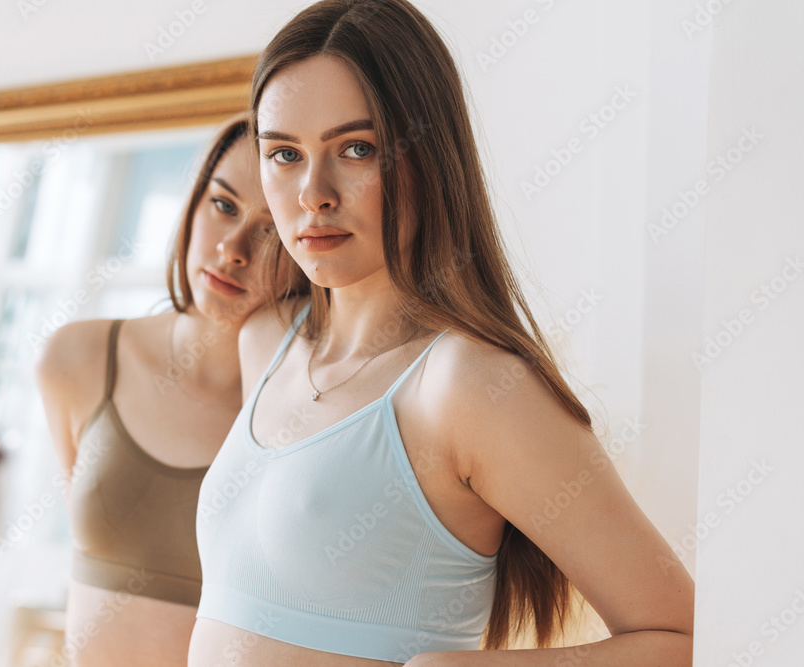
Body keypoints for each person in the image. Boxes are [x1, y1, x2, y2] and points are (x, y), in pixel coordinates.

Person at [189, 1, 695, 666]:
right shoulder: (269, 343)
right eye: (284, 154)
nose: (314, 192)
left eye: (358, 149)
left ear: (428, 155)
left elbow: (684, 637)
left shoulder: (468, 384)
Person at [34, 113, 290, 667]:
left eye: (270, 229)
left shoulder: (298, 412)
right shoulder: (76, 361)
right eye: (222, 205)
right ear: (192, 203)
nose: (234, 249)